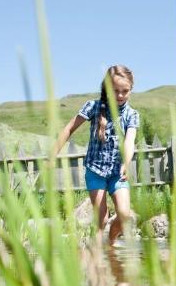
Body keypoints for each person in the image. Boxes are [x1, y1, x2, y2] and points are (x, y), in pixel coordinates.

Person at [54, 65, 140, 243]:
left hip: (117, 173)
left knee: (124, 215)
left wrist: (126, 163)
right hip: (96, 171)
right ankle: (99, 257)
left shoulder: (132, 114)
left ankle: (111, 242)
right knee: (100, 220)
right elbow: (70, 128)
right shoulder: (93, 107)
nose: (120, 95)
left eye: (125, 91)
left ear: (131, 90)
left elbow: (130, 140)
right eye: (115, 91)